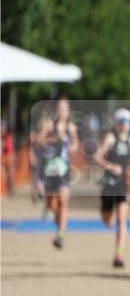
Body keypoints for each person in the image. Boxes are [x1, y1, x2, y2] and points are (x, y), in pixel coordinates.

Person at [94, 109, 130, 268]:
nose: (124, 125)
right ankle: (105, 212)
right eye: (121, 121)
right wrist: (110, 166)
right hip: (109, 184)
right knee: (108, 221)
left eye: (126, 122)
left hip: (123, 184)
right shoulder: (110, 139)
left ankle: (119, 255)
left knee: (122, 219)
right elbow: (97, 157)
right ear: (116, 124)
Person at [40, 98, 78, 249]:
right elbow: (39, 140)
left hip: (64, 168)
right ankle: (59, 222)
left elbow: (76, 143)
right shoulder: (49, 125)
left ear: (68, 111)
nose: (62, 112)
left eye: (65, 109)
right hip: (50, 168)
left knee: (63, 201)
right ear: (56, 110)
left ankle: (61, 235)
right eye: (60, 109)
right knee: (51, 204)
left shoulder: (71, 127)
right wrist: (54, 138)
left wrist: (72, 146)